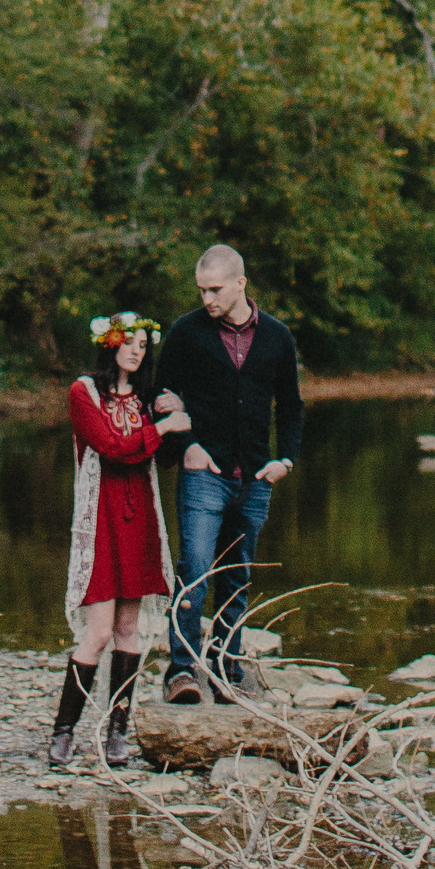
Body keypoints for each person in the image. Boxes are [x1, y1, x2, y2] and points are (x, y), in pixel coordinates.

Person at [151, 241, 301, 703]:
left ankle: (226, 667)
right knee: (194, 569)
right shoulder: (187, 333)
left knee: (236, 575)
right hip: (204, 473)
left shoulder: (276, 337)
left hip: (254, 477)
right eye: (201, 291)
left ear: (241, 283)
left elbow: (291, 405)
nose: (207, 300)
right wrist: (187, 446)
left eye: (215, 290)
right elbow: (159, 395)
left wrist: (285, 460)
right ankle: (182, 672)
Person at [50, 310, 185, 767]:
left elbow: (161, 459)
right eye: (129, 342)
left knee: (130, 630)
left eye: (144, 346)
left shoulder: (147, 399)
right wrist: (161, 428)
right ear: (110, 344)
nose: (136, 350)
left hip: (140, 519)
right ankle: (63, 732)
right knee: (99, 631)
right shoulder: (83, 393)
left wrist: (176, 417)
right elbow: (111, 446)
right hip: (101, 519)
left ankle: (116, 733)